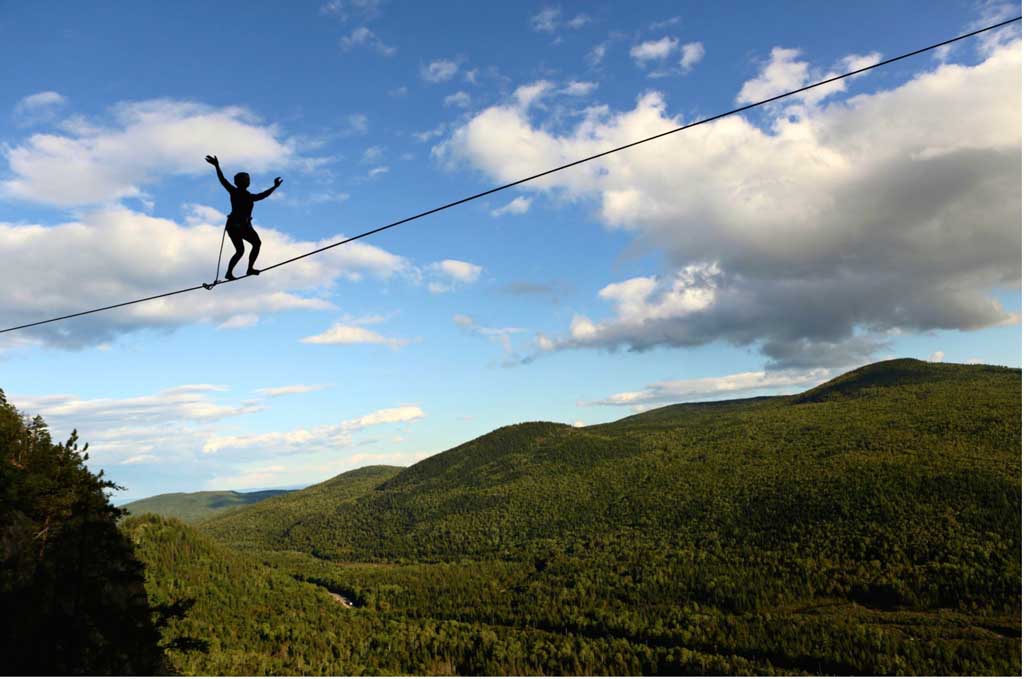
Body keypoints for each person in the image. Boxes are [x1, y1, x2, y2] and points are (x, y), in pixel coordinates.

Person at [205, 155, 282, 280]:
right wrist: (217, 166)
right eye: (245, 179)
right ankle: (230, 272)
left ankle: (249, 268)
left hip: (245, 226)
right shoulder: (234, 191)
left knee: (256, 244)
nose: (247, 181)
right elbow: (223, 180)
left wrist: (274, 187)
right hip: (235, 226)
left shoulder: (249, 196)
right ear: (238, 182)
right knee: (241, 250)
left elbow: (262, 196)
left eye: (248, 179)